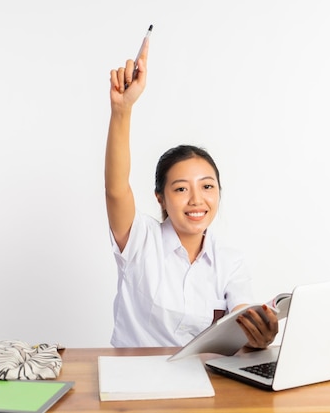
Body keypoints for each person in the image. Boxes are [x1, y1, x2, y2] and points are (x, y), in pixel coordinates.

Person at [105, 38, 278, 349]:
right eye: (182, 188)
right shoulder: (140, 239)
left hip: (200, 380)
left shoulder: (229, 262)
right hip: (135, 378)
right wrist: (122, 110)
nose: (197, 200)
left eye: (207, 186)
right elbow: (116, 189)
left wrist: (257, 334)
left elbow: (241, 313)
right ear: (160, 197)